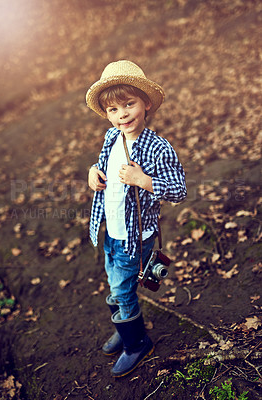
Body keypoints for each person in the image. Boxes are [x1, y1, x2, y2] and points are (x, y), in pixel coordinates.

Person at [86, 60, 187, 378]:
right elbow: (102, 164)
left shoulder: (157, 148)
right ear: (107, 114)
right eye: (114, 110)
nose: (122, 115)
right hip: (112, 231)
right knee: (114, 283)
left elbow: (179, 190)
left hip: (137, 237)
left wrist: (144, 180)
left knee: (124, 289)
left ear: (145, 103)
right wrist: (93, 174)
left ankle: (137, 342)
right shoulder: (111, 138)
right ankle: (124, 326)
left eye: (129, 104)